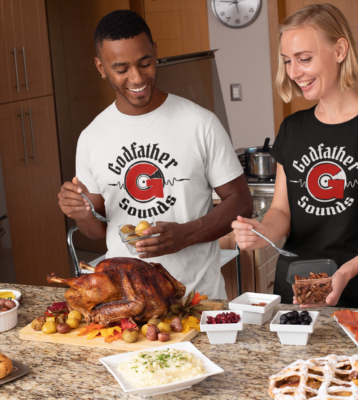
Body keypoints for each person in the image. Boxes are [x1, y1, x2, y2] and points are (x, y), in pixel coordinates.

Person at [232, 4, 358, 308]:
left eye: (304, 59)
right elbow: (282, 210)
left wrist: (347, 271)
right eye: (287, 61)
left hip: (357, 288)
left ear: (340, 50)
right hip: (294, 287)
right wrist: (263, 230)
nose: (294, 73)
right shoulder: (292, 128)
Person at [57, 10, 253, 300]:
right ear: (101, 67)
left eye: (145, 63)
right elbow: (96, 230)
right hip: (127, 303)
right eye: (121, 69)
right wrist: (79, 211)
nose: (137, 78)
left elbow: (242, 202)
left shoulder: (200, 123)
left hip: (199, 300)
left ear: (155, 52)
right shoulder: (91, 137)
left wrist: (187, 234)